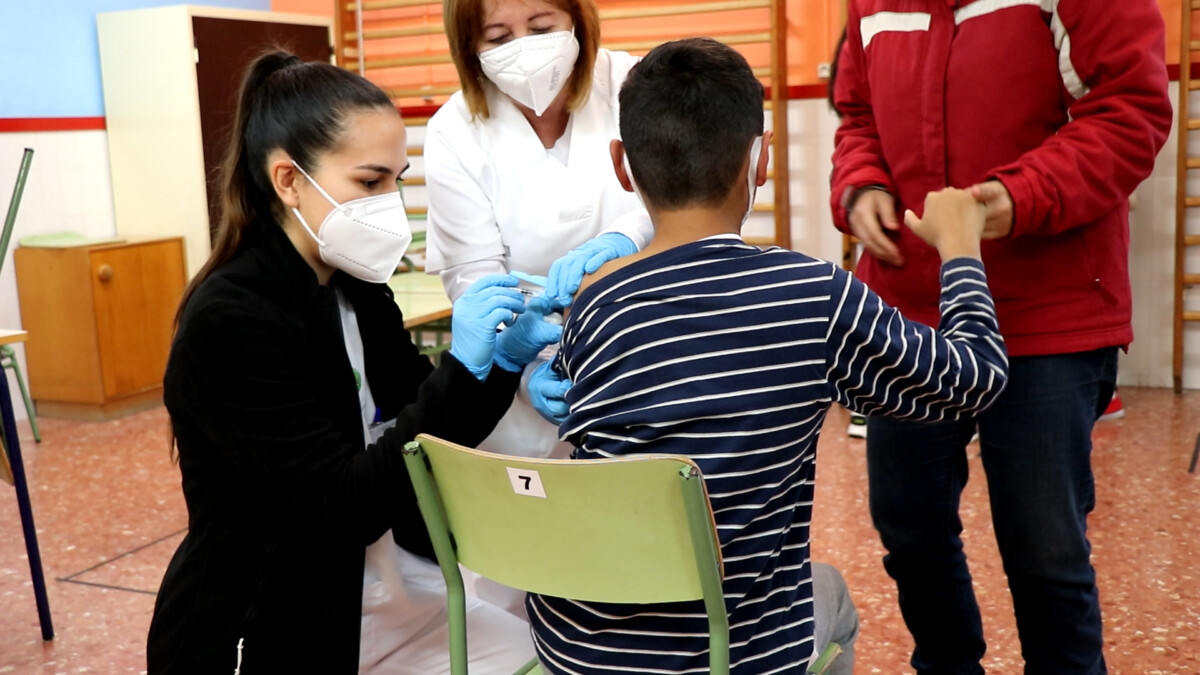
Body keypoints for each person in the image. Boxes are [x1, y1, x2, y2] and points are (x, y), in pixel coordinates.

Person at [528, 38, 1011, 674]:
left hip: (579, 649)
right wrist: (960, 249)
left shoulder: (595, 299)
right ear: (761, 159)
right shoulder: (813, 295)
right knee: (832, 591)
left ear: (623, 166)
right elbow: (975, 379)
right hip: (731, 653)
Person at [146, 52, 560, 674]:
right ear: (288, 181)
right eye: (369, 183)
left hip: (393, 594)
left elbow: (431, 433)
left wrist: (500, 365)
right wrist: (458, 373)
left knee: (542, 657)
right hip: (278, 623)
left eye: (397, 179)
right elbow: (344, 504)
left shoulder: (357, 288)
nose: (390, 203)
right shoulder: (230, 320)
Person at [830, 2, 1172, 672]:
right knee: (910, 528)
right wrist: (861, 184)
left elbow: (1130, 109)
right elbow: (858, 114)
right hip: (911, 310)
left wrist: (1016, 196)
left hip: (1048, 309)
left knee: (1045, 548)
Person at [424, 0, 653, 460]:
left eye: (541, 26)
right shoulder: (454, 130)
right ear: (470, 47)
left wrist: (632, 234)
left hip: (645, 358)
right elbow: (475, 281)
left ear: (577, 21)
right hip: (523, 401)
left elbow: (701, 190)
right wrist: (527, 373)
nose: (524, 49)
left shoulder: (638, 84)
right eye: (498, 38)